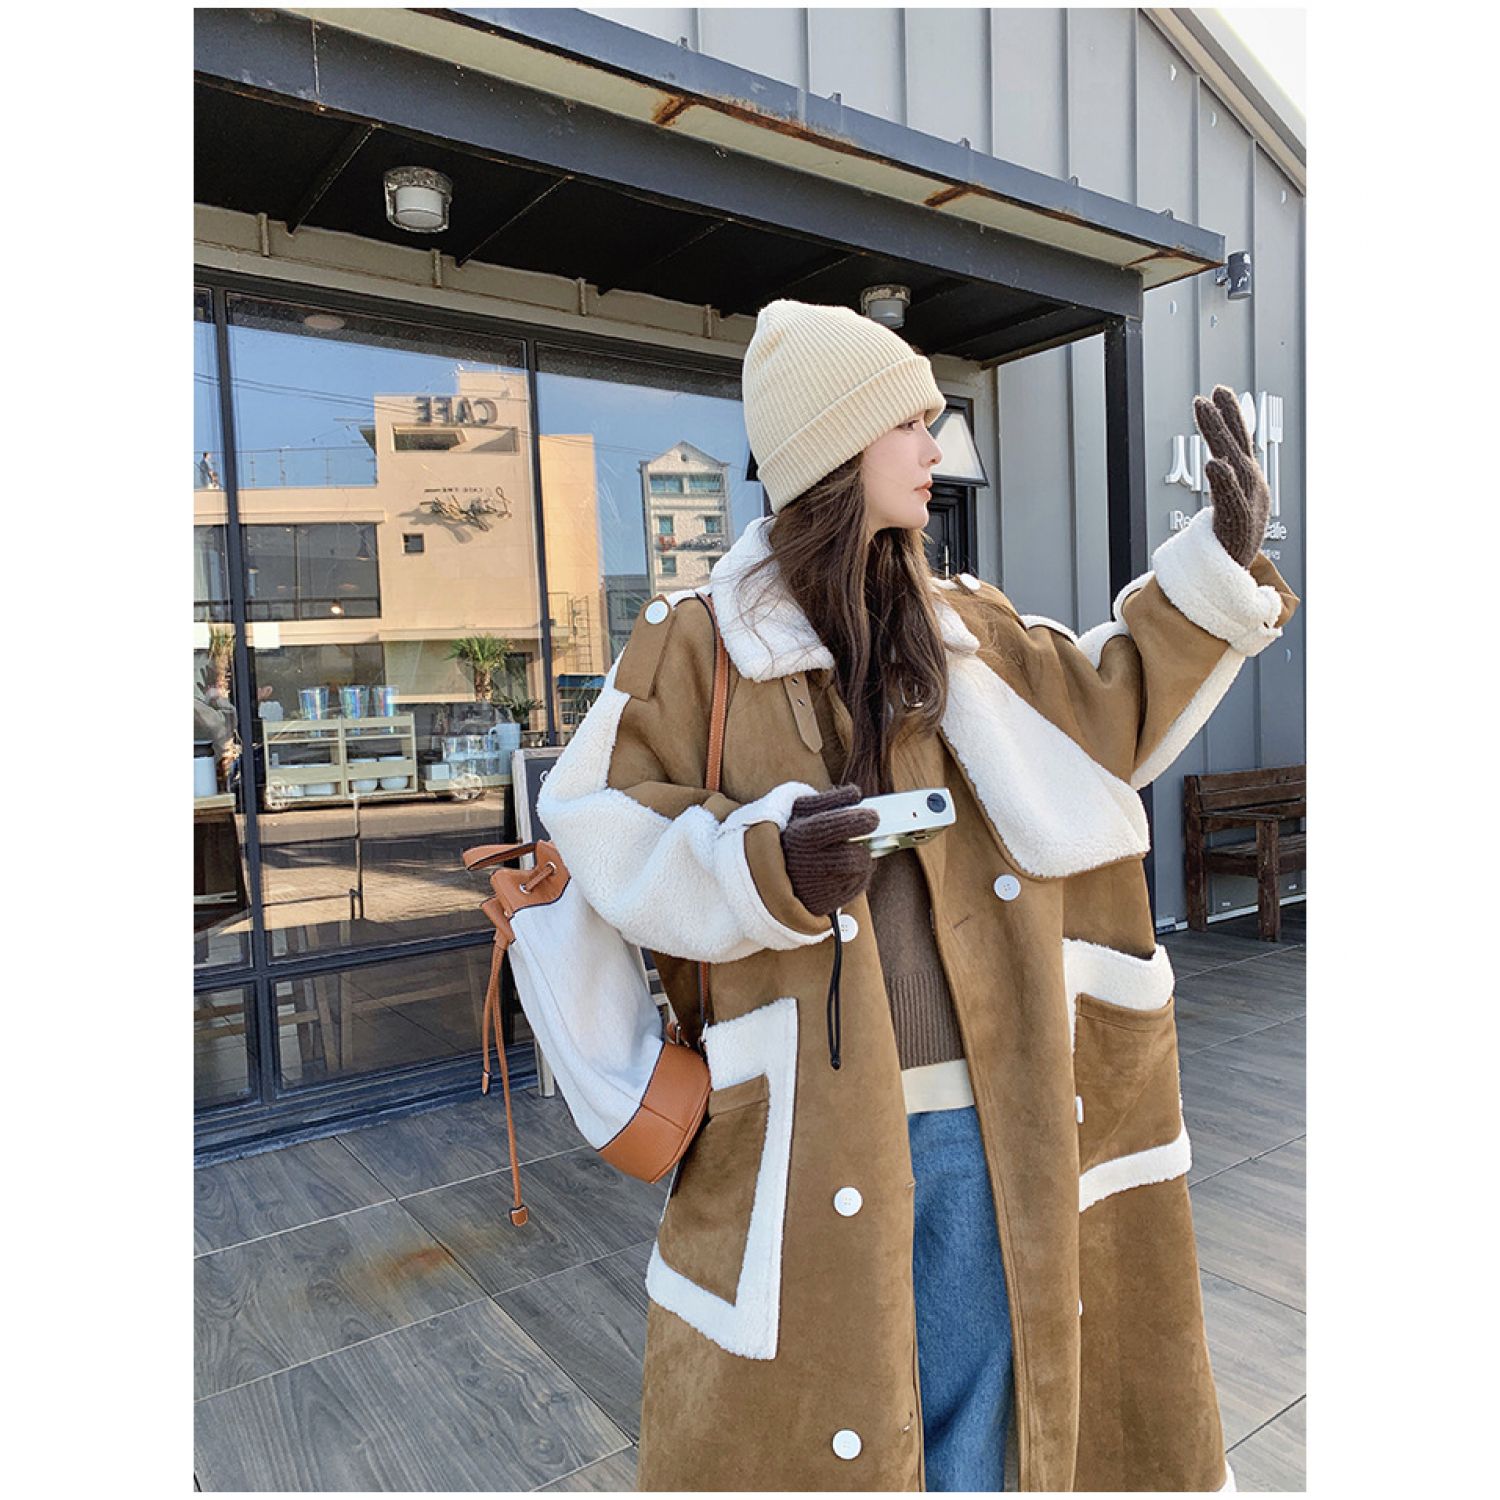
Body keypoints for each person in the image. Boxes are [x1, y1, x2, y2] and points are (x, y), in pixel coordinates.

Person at [535, 298, 1299, 1491]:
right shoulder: (695, 645)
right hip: (803, 1136)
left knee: (992, 1443)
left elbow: (1112, 710)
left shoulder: (967, 628)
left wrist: (1217, 566)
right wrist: (761, 867)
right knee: (829, 1439)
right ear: (835, 447)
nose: (935, 444)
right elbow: (598, 824)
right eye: (908, 420)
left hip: (1000, 1116)